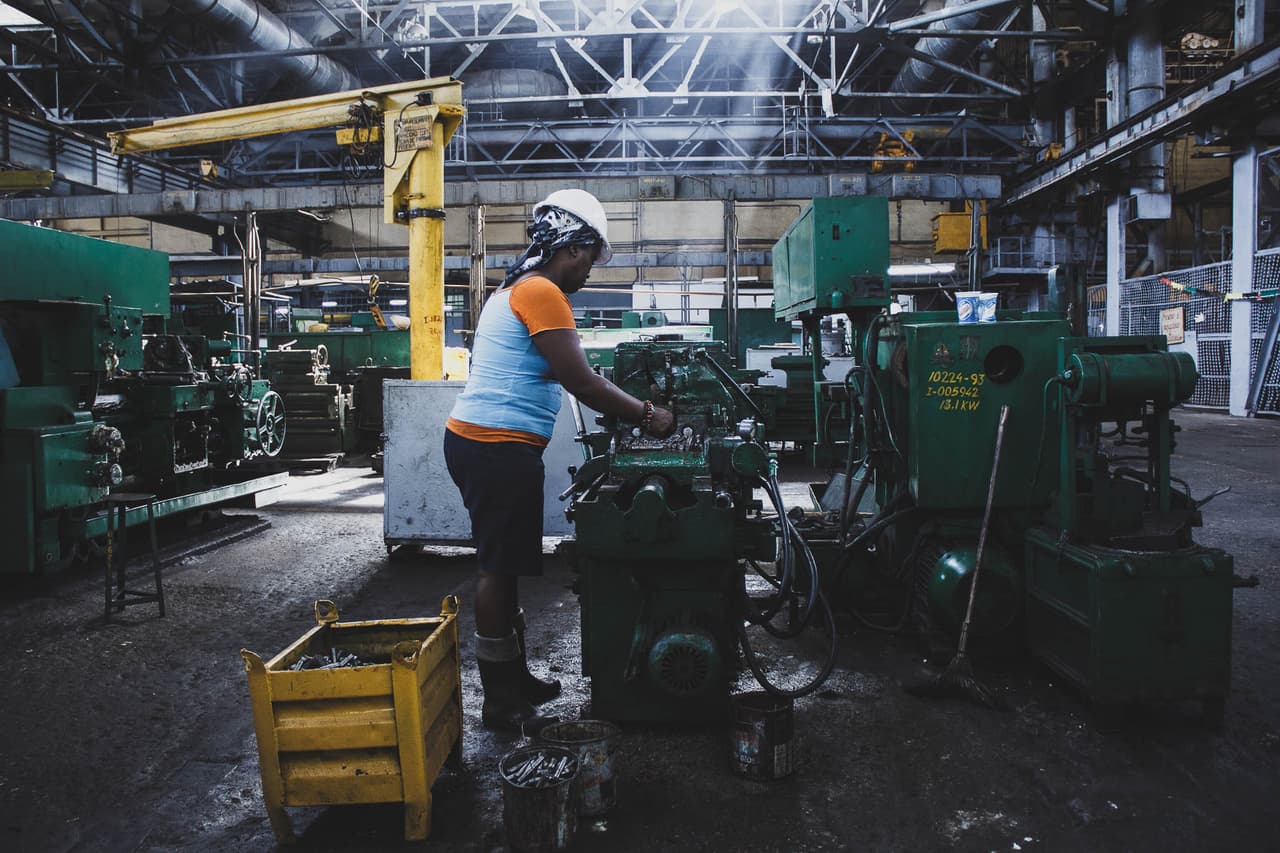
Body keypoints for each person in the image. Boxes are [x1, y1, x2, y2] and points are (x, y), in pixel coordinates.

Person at [444, 188, 676, 733]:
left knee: (508, 566)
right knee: (497, 571)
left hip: (489, 444)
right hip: (495, 448)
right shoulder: (543, 291)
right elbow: (580, 379)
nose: (590, 272)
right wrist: (649, 415)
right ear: (573, 246)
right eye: (591, 259)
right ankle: (500, 701)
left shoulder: (518, 288)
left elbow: (575, 371)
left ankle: (515, 678)